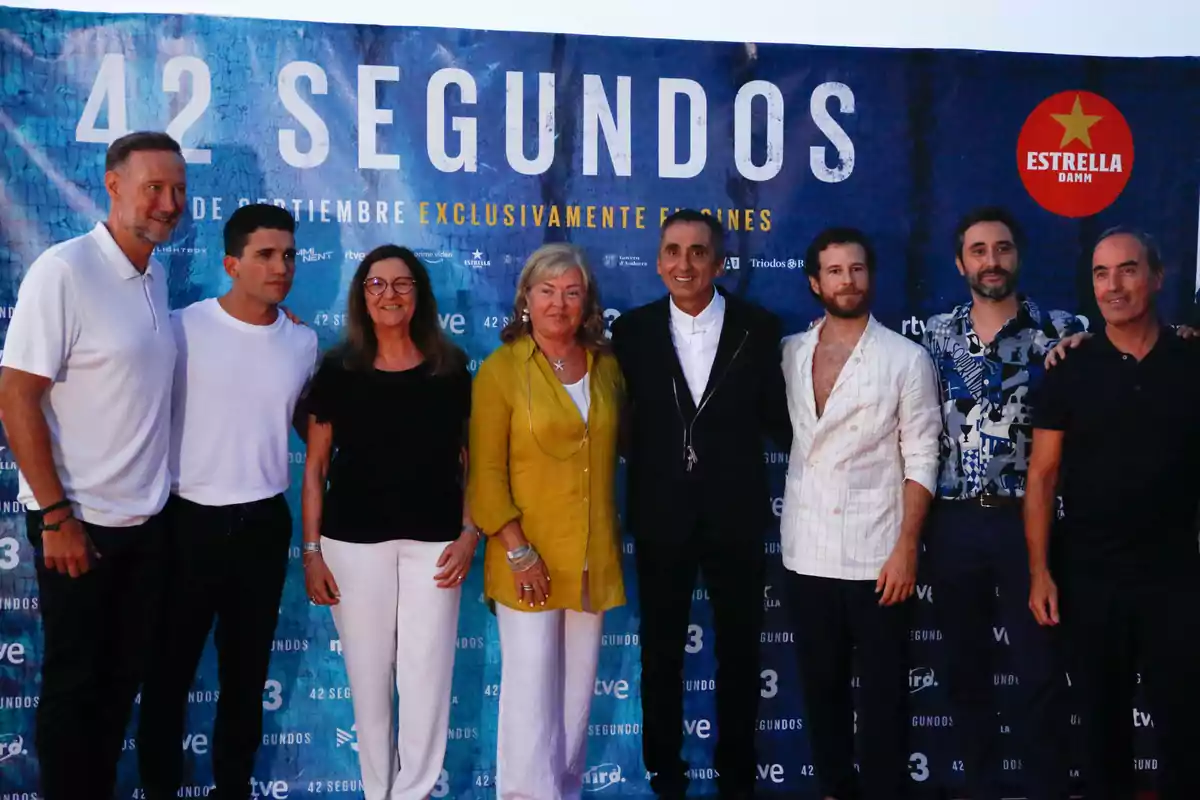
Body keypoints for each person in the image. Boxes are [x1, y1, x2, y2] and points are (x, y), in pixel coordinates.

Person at [0, 131, 186, 800]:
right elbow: (16, 393)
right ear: (112, 186)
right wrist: (55, 516)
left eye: (177, 190)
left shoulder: (154, 275)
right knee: (74, 691)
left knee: (115, 694)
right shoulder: (65, 269)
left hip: (145, 526)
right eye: (153, 188)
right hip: (77, 526)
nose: (169, 203)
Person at [135, 204, 318, 799]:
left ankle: (232, 789)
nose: (281, 266)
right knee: (168, 676)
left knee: (246, 679)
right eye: (265, 254)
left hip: (265, 524)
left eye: (289, 254)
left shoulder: (303, 341)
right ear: (231, 263)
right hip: (187, 521)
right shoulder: (182, 327)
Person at [610, 209, 791, 800]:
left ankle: (737, 777)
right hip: (660, 517)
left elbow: (785, 423)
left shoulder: (758, 328)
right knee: (660, 656)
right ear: (659, 261)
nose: (683, 264)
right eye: (672, 251)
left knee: (739, 654)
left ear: (719, 261)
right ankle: (665, 775)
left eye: (696, 252)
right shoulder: (630, 332)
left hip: (736, 516)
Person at [1026, 228, 1200, 800]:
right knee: (1101, 733)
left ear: (1157, 276)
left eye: (1127, 270)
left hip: (1177, 579)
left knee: (1185, 726)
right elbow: (1043, 475)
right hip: (1090, 578)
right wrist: (1040, 571)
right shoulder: (1069, 368)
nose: (1113, 285)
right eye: (1101, 274)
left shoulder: (1190, 359)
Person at [300, 245, 477, 800]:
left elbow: (474, 465)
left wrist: (472, 533)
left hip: (436, 546)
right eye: (376, 285)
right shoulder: (337, 369)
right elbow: (315, 469)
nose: (389, 295)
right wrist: (311, 552)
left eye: (401, 284)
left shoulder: (451, 369)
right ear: (361, 296)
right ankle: (378, 794)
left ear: (419, 295)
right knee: (369, 685)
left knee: (425, 682)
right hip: (352, 546)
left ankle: (414, 793)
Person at [920, 206, 1078, 800]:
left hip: (1030, 524)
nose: (992, 261)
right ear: (961, 262)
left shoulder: (1063, 329)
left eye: (1002, 249)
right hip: (954, 521)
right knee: (965, 670)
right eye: (979, 250)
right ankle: (981, 786)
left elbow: (1130, 350)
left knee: (1039, 669)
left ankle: (1045, 789)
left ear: (1018, 256)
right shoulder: (934, 335)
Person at [780, 228, 940, 800]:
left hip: (879, 555)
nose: (847, 280)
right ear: (814, 282)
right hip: (806, 551)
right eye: (835, 271)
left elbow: (923, 456)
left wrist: (906, 547)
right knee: (821, 692)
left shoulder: (905, 358)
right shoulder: (791, 353)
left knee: (882, 696)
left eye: (856, 269)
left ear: (870, 277)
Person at [468, 243, 625, 800]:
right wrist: (516, 550)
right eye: (546, 291)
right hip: (527, 558)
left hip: (592, 557)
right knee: (530, 699)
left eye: (572, 292)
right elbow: (485, 475)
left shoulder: (606, 368)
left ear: (587, 303)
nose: (558, 303)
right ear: (525, 300)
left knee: (575, 702)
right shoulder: (500, 371)